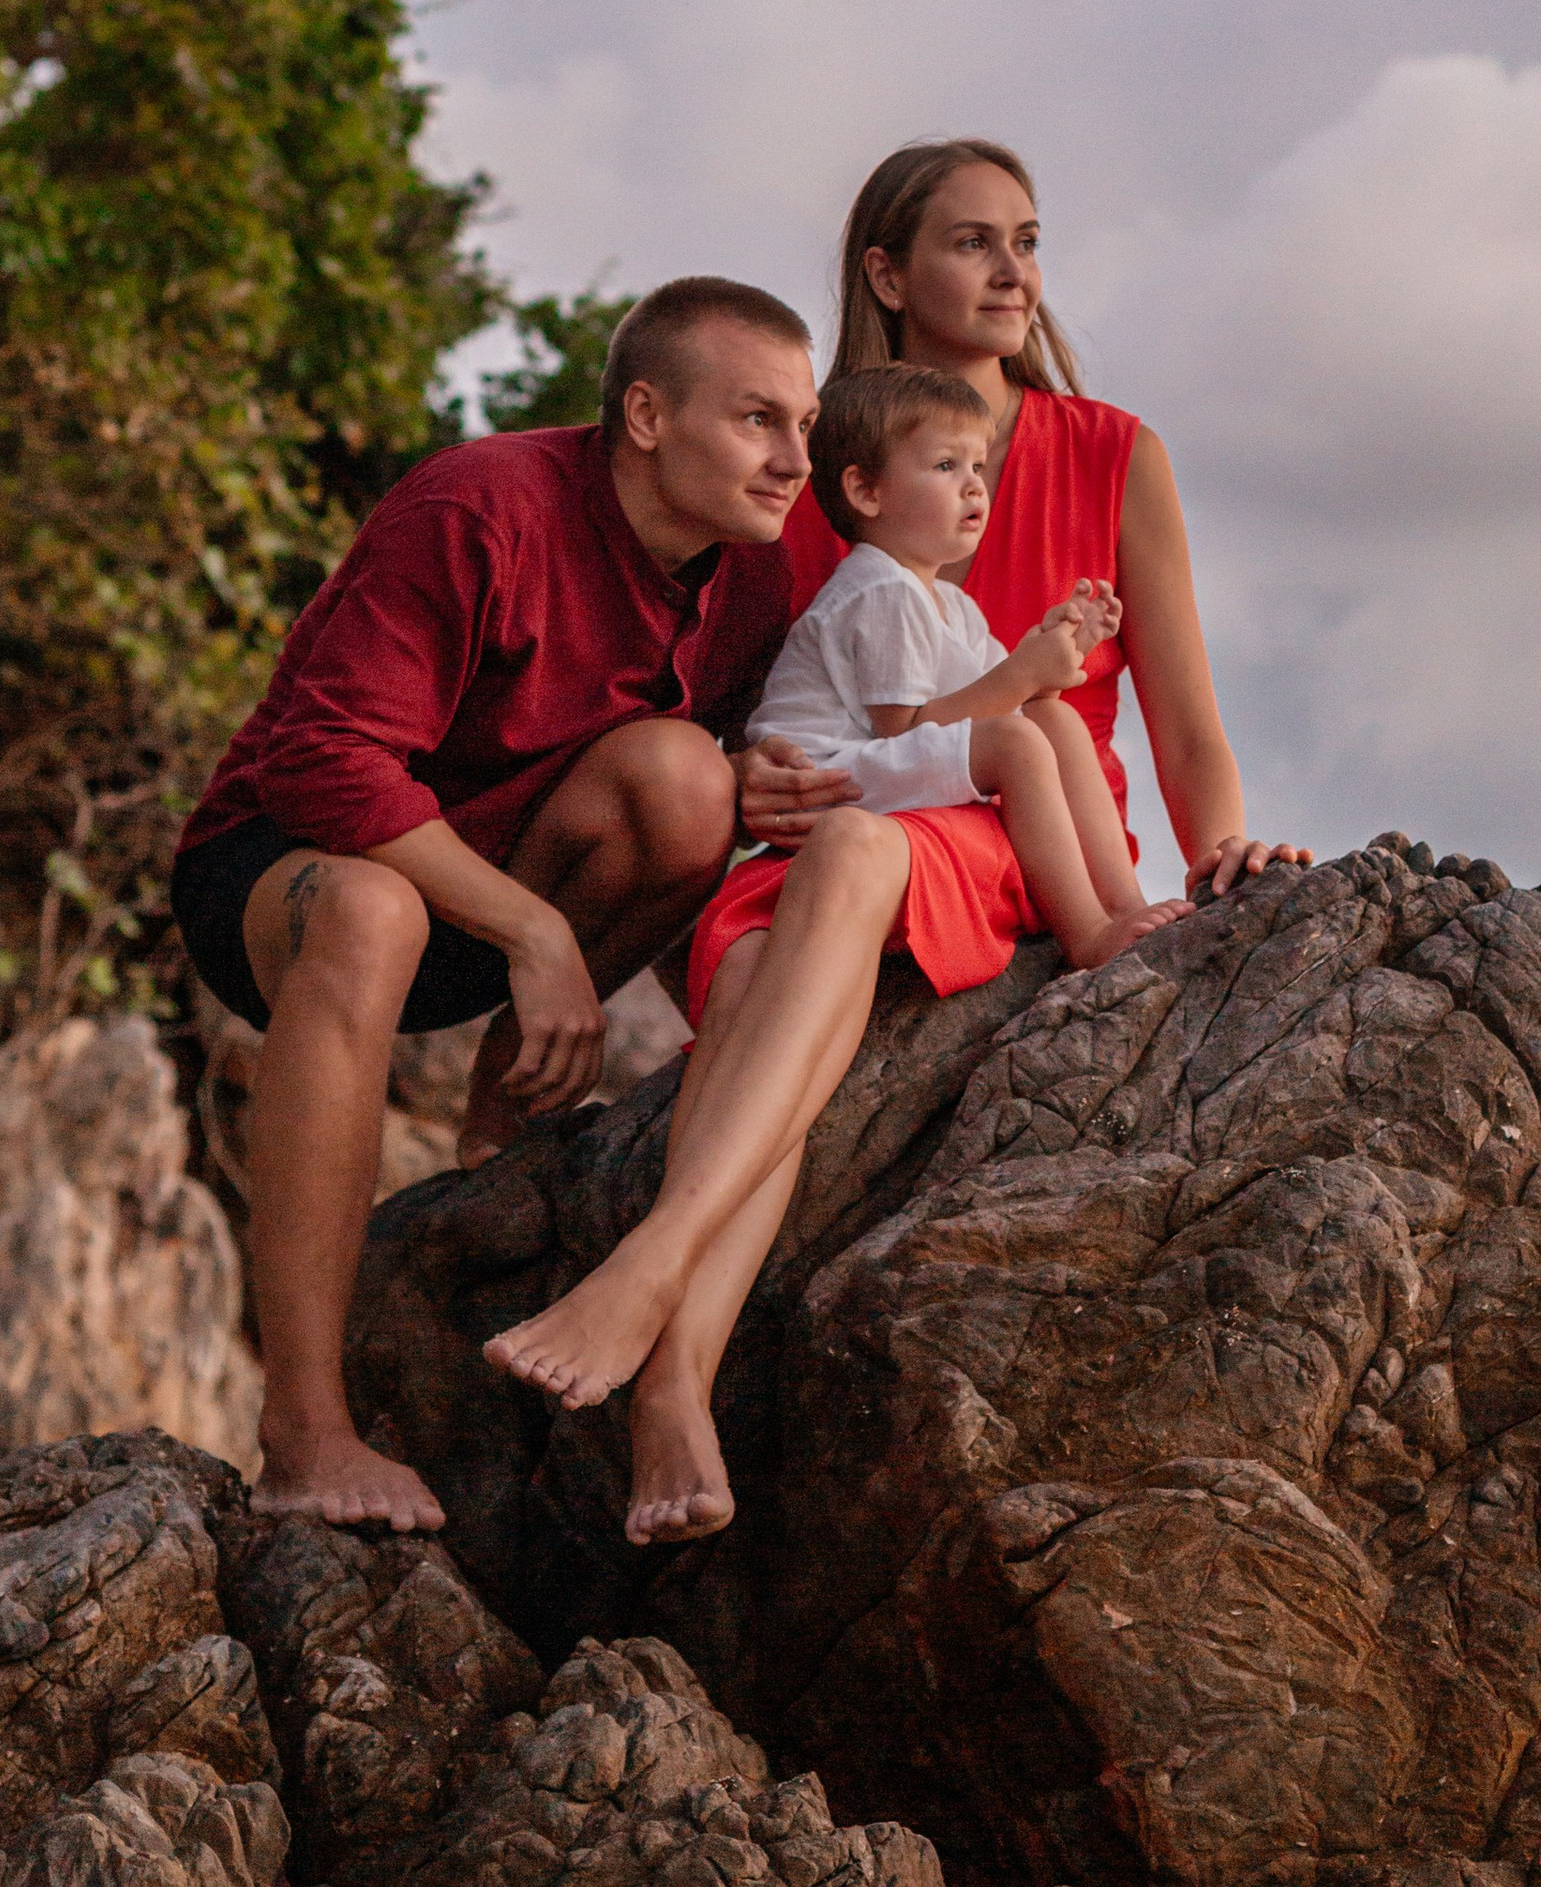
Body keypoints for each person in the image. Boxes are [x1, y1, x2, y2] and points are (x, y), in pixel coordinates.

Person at [488, 137, 1305, 1547]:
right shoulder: (806, 471)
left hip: (1012, 826)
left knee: (854, 871)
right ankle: (672, 1382)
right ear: (886, 272)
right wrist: (741, 778)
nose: (1013, 271)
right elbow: (750, 695)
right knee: (761, 986)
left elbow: (1183, 719)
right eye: (972, 242)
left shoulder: (1110, 450)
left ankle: (650, 1270)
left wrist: (1220, 851)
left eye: (1027, 241)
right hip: (847, 809)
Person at [169, 274, 819, 1533]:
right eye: (758, 420)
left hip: (492, 895)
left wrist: (771, 783)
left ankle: (500, 1119)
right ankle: (305, 1433)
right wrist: (535, 932)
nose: (793, 460)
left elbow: (692, 796)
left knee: (692, 780)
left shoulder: (753, 580)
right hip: (286, 872)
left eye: (802, 424)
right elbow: (322, 763)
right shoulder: (480, 504)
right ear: (646, 416)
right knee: (373, 912)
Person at [746, 361, 1187, 968]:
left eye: (977, 466)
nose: (975, 486)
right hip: (825, 777)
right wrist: (1024, 674)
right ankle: (1086, 933)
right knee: (1015, 746)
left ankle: (1124, 903)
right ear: (867, 492)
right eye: (945, 466)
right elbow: (902, 728)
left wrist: (1059, 651)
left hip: (872, 763)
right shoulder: (879, 590)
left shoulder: (950, 603)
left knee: (1056, 724)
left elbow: (1018, 703)